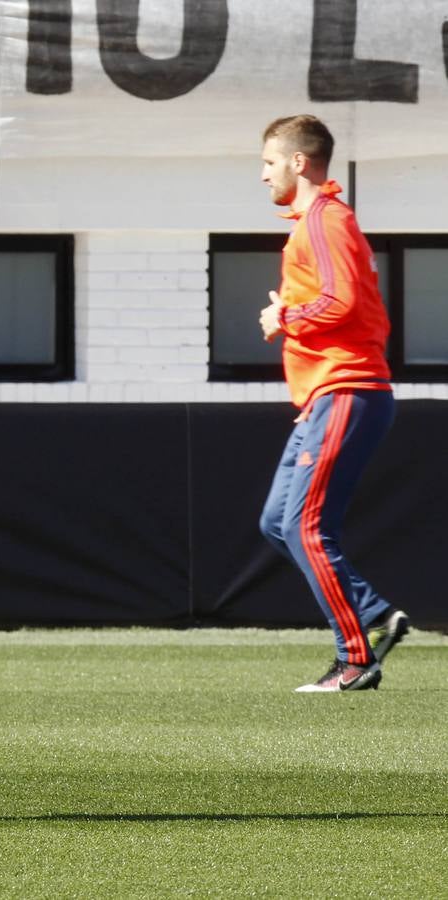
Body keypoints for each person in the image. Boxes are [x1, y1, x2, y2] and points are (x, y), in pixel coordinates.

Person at [256, 114, 409, 693]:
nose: (263, 174)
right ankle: (371, 615)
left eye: (269, 162)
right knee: (278, 522)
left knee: (305, 526)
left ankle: (356, 657)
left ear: (299, 162)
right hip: (328, 392)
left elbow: (342, 301)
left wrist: (285, 317)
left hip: (347, 388)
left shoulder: (325, 220)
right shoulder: (318, 222)